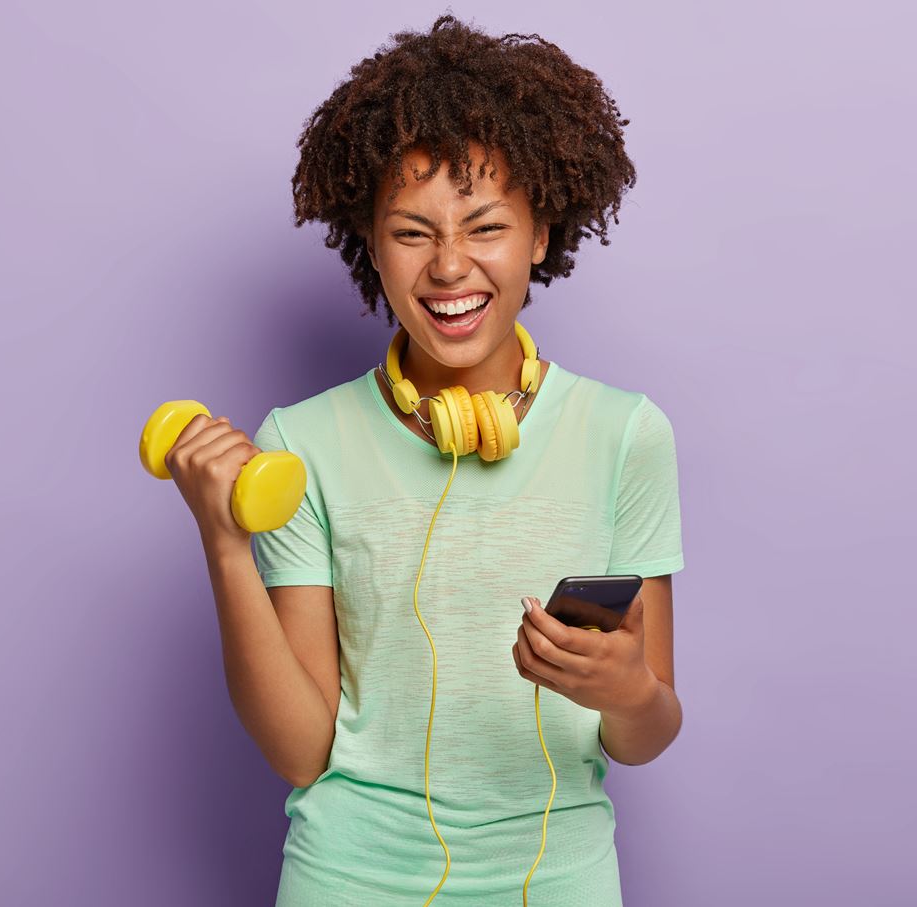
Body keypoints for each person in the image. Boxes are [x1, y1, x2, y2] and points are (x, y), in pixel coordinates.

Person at [164, 14, 685, 906]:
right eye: (412, 232)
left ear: (541, 234)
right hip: (348, 878)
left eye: (485, 227)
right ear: (371, 244)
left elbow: (646, 732)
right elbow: (301, 748)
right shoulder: (301, 444)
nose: (450, 267)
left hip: (555, 880)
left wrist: (626, 687)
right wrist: (223, 543)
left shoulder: (625, 434)